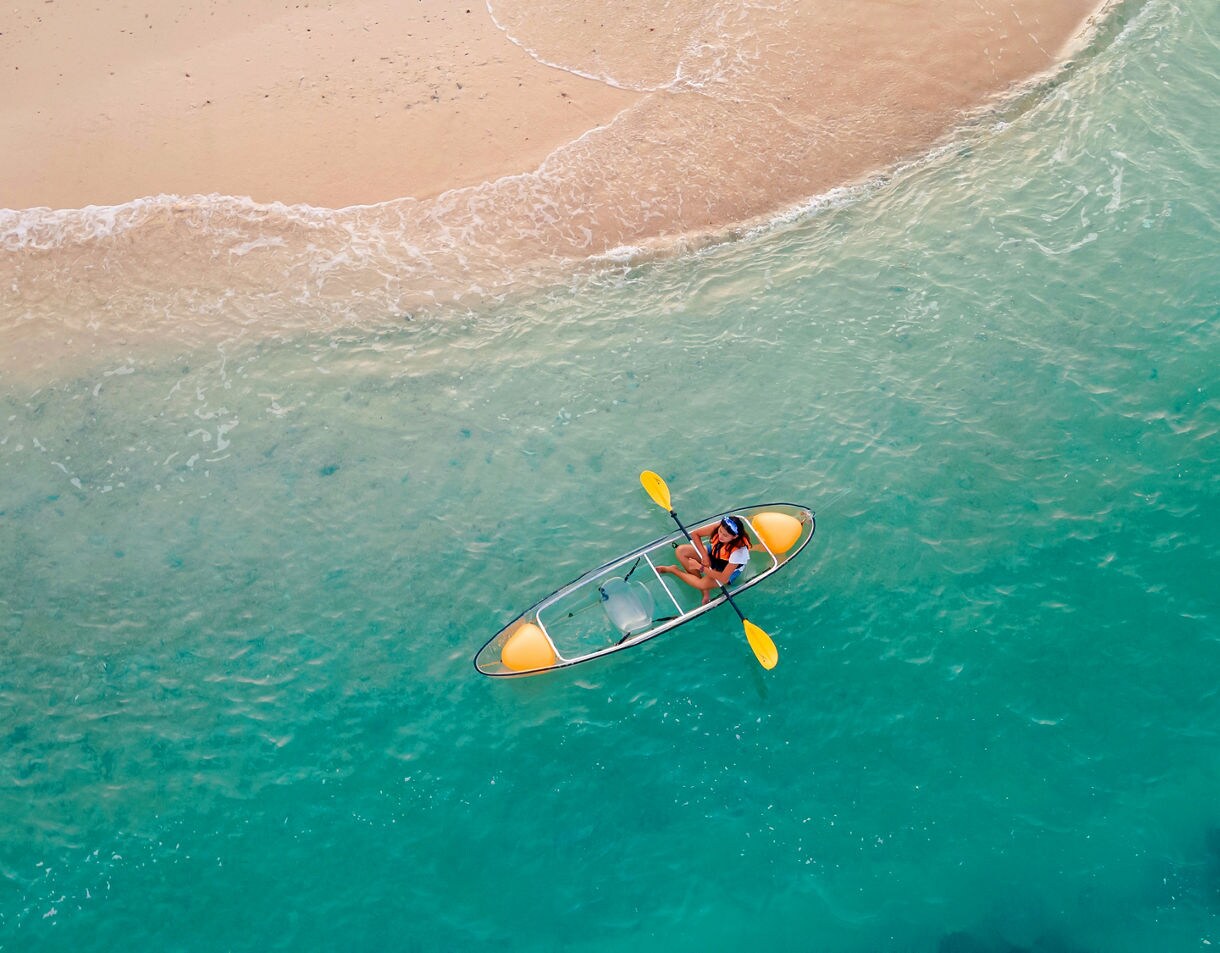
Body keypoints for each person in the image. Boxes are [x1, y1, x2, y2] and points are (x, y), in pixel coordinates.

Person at [656, 515, 751, 604]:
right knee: (680, 551)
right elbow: (695, 534)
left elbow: (723, 578)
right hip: (714, 553)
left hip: (726, 570)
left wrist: (700, 567)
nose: (721, 536)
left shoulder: (739, 553)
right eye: (720, 531)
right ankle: (705, 590)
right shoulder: (721, 527)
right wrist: (704, 556)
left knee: (701, 584)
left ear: (735, 537)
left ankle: (673, 570)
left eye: (725, 535)